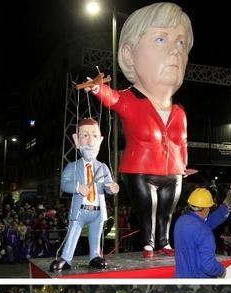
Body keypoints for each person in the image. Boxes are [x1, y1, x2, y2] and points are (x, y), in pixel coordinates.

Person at [86, 3, 193, 258]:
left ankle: (164, 241)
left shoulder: (179, 111)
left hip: (174, 172)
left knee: (167, 211)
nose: (175, 51)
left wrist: (185, 165)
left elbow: (184, 142)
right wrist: (97, 88)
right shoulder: (131, 101)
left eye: (181, 44)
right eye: (160, 38)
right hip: (140, 171)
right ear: (128, 55)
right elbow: (112, 98)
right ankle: (147, 242)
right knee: (149, 210)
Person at [50, 118, 120, 271]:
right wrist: (77, 187)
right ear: (76, 139)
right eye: (85, 136)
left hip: (97, 211)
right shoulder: (73, 166)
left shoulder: (103, 167)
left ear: (100, 140)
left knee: (96, 235)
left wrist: (112, 188)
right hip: (80, 209)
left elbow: (108, 185)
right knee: (73, 233)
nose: (90, 142)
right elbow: (64, 184)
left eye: (94, 136)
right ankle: (66, 258)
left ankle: (94, 256)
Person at [173, 187, 231, 278]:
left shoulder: (181, 221)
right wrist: (221, 270)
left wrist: (226, 207)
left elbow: (206, 223)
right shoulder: (204, 232)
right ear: (206, 209)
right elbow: (208, 266)